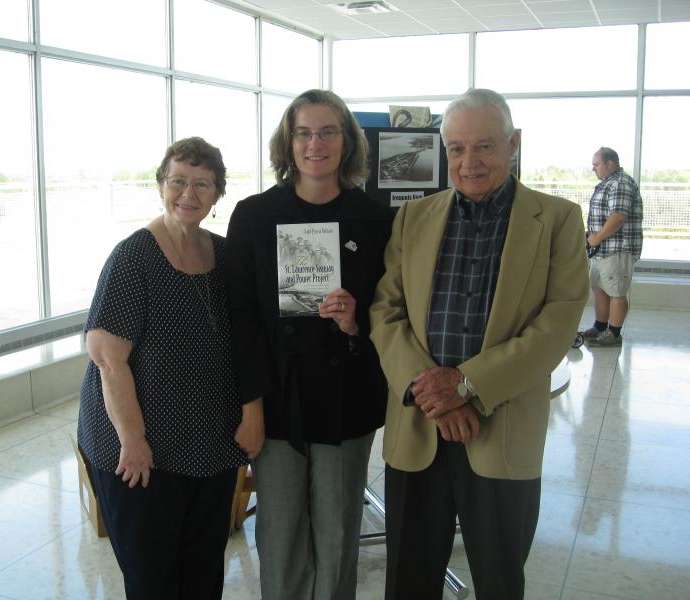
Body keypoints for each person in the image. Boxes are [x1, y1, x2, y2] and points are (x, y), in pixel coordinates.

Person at [369, 88, 589, 600]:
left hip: (501, 431)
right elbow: (385, 310)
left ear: (513, 144)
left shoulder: (557, 220)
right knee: (407, 581)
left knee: (499, 581)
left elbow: (556, 324)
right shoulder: (413, 218)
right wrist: (435, 395)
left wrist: (466, 386)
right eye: (457, 148)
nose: (469, 161)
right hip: (418, 429)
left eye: (485, 146)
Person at [226, 89, 393, 600]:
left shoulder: (376, 219)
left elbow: (393, 313)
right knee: (280, 533)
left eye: (327, 132)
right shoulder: (253, 216)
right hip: (276, 399)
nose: (314, 144)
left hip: (348, 398)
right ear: (288, 142)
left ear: (347, 142)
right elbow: (240, 322)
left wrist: (355, 323)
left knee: (339, 531)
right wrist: (250, 406)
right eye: (303, 133)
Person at [77, 137, 247, 600]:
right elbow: (107, 358)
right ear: (161, 186)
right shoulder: (134, 257)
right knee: (154, 578)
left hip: (209, 445)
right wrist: (132, 441)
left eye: (202, 184)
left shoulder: (225, 255)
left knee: (203, 572)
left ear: (217, 193)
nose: (188, 194)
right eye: (178, 181)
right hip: (141, 452)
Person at [581, 146, 643, 347]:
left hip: (617, 249)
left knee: (616, 291)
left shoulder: (620, 183)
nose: (593, 169)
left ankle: (614, 334)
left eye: (596, 164)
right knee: (599, 287)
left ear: (610, 164)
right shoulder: (607, 183)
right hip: (603, 250)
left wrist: (598, 237)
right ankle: (600, 327)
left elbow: (618, 217)